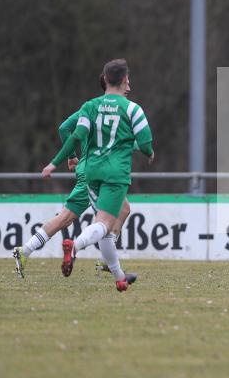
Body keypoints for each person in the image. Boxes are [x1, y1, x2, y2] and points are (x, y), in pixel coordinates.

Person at [41, 59, 154, 291]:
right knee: (103, 224)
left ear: (105, 79)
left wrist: (54, 162)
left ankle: (119, 277)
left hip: (91, 171)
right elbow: (145, 143)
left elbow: (74, 135)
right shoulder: (133, 109)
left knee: (108, 225)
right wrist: (150, 152)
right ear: (124, 80)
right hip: (115, 173)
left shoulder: (90, 106)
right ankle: (75, 246)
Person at [12, 75, 132, 279]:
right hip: (95, 172)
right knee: (73, 218)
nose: (129, 87)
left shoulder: (93, 108)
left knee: (120, 210)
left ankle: (25, 251)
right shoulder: (110, 109)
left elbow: (64, 128)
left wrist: (72, 157)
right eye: (126, 82)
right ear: (114, 84)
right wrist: (71, 156)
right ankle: (103, 260)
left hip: (91, 169)